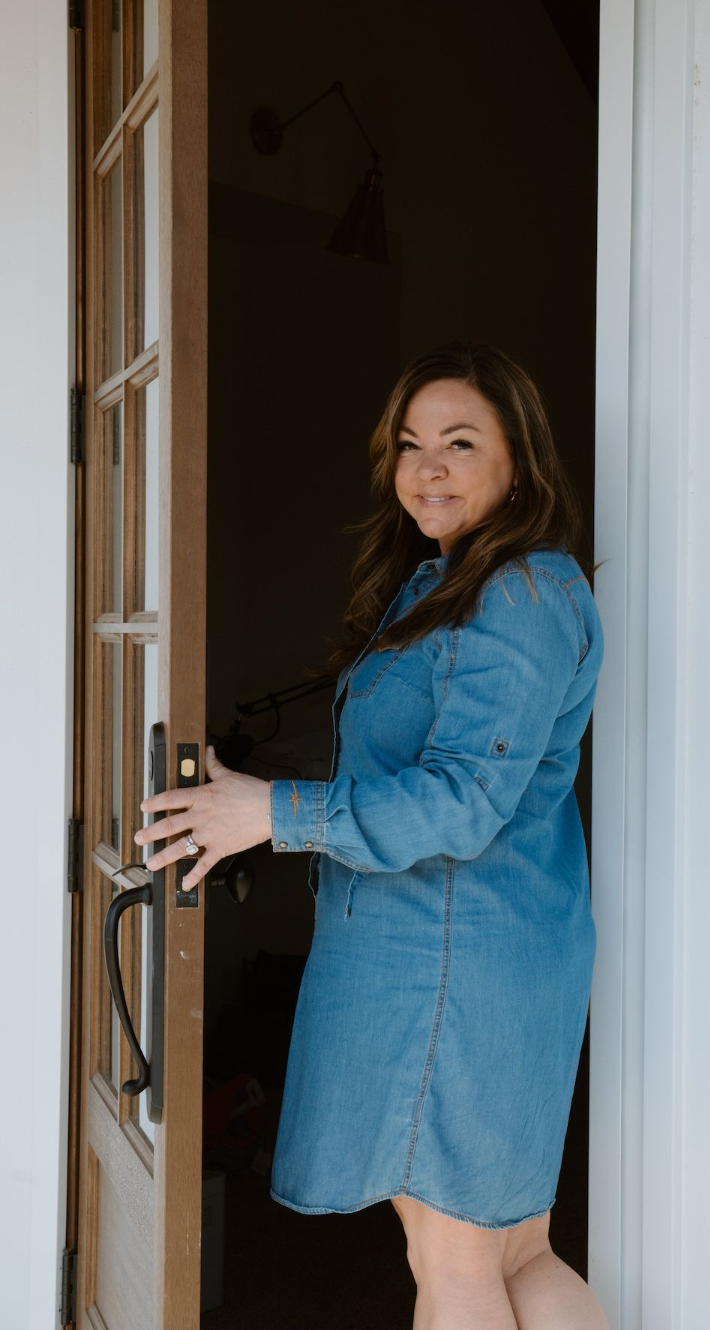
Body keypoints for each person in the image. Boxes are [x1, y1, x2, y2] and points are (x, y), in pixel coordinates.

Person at [136, 342, 609, 1329]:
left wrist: (271, 813)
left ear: (519, 458)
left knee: (456, 1260)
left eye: (460, 443)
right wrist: (260, 800)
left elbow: (462, 801)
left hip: (454, 963)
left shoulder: (517, 592)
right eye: (409, 444)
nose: (427, 468)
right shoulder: (455, 583)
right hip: (464, 950)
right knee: (510, 1247)